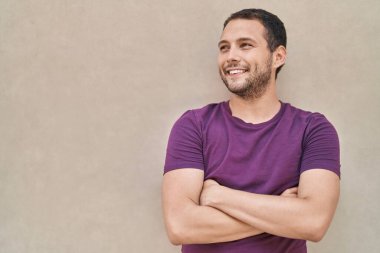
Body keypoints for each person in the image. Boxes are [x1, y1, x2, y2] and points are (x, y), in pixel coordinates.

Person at [162, 8, 340, 253]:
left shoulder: (314, 130)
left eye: (245, 45)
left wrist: (219, 197)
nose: (231, 56)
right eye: (224, 47)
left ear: (278, 56)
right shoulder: (193, 126)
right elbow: (181, 226)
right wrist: (282, 211)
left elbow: (313, 222)